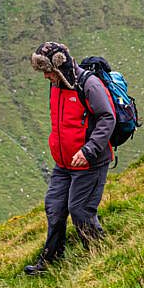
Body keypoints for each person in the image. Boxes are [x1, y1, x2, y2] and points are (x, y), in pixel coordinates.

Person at [25, 41, 116, 275]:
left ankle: (101, 258)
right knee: (54, 208)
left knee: (80, 210)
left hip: (90, 162)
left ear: (58, 67)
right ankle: (51, 261)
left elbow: (108, 118)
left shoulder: (89, 85)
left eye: (47, 71)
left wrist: (87, 150)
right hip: (64, 164)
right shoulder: (57, 85)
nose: (45, 77)